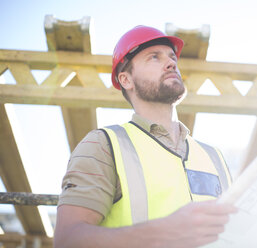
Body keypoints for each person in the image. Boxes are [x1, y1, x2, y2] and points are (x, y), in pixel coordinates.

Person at [54, 25, 237, 248]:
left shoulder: (213, 156)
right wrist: (164, 233)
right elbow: (68, 240)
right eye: (154, 57)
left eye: (172, 57)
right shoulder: (104, 145)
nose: (171, 63)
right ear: (126, 80)